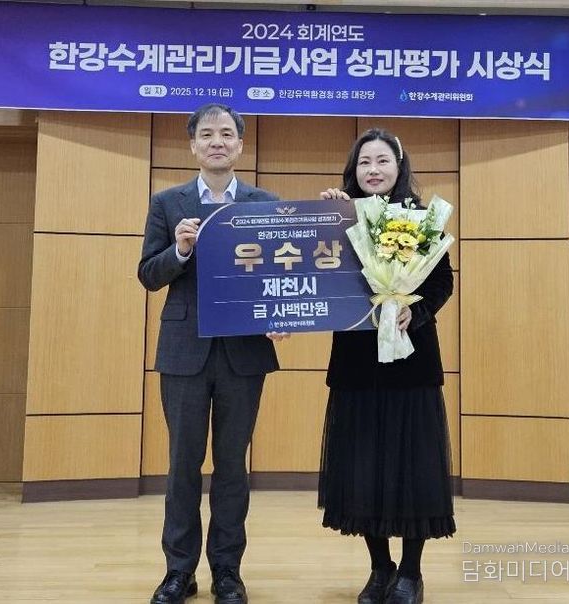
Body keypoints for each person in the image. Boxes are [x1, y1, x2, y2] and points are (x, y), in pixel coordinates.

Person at [139, 103, 286, 604]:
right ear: (193, 146)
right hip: (184, 351)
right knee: (182, 464)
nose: (217, 141)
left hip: (244, 353)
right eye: (207, 134)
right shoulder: (167, 203)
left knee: (232, 466)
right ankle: (178, 571)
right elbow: (148, 274)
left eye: (226, 133)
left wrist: (279, 315)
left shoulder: (265, 203)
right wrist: (179, 251)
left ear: (240, 145)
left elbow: (280, 275)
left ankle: (227, 570)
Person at [318, 128, 456, 604]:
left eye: (382, 161)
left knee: (413, 466)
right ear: (353, 170)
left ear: (399, 167)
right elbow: (317, 274)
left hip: (411, 360)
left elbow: (441, 282)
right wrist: (327, 216)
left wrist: (416, 311)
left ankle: (411, 573)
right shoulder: (339, 216)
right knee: (362, 468)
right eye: (364, 162)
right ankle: (380, 568)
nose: (373, 170)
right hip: (356, 362)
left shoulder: (422, 219)